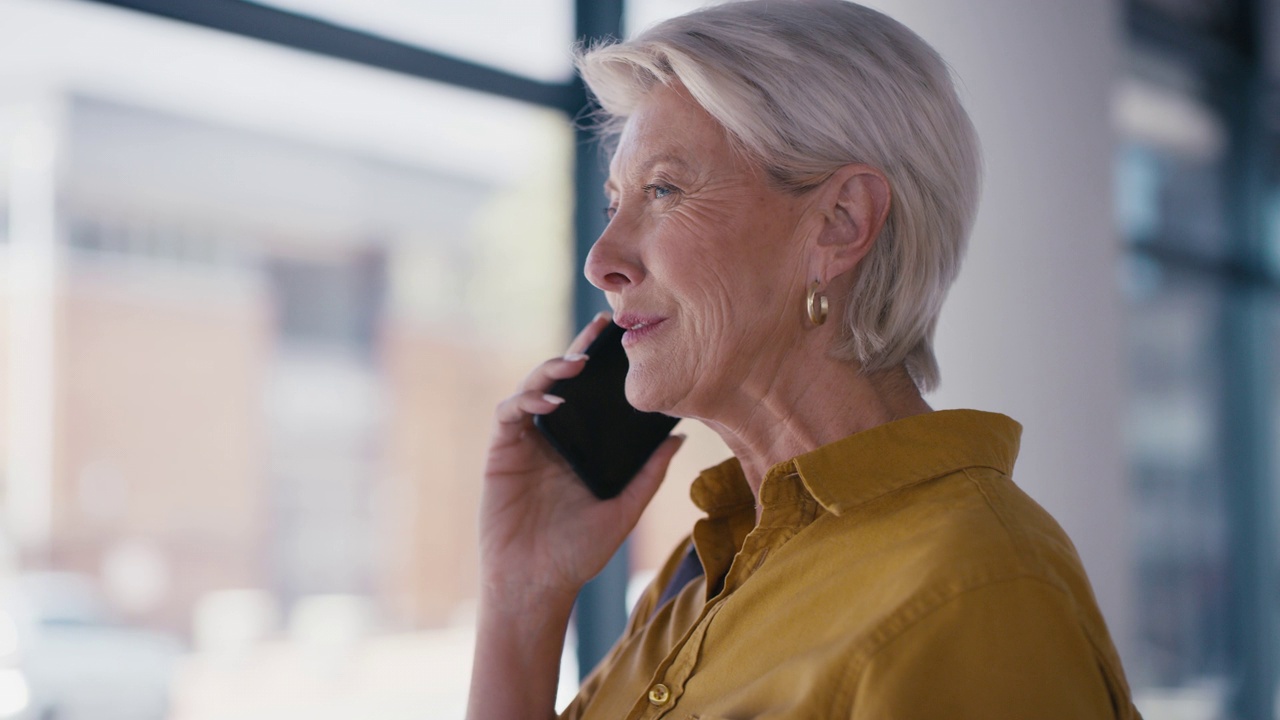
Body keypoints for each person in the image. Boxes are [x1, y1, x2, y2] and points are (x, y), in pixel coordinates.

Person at [467, 1, 1140, 718]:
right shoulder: (708, 576)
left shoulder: (980, 593)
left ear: (839, 222)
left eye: (663, 191)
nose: (602, 261)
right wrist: (523, 597)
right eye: (613, 204)